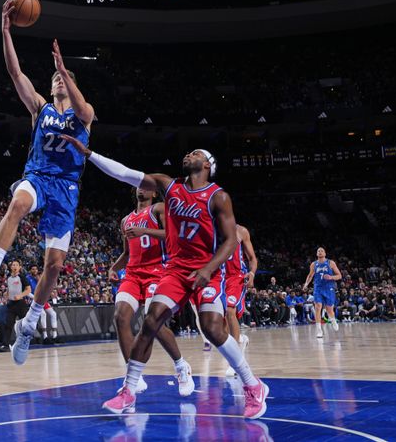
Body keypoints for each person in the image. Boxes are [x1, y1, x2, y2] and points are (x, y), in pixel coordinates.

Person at [59, 137, 269, 420]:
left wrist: (208, 269)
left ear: (207, 165)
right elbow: (124, 173)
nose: (188, 153)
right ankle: (129, 391)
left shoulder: (218, 196)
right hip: (176, 269)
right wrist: (90, 154)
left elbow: (231, 241)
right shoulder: (169, 185)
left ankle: (252, 384)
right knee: (151, 319)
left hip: (208, 269)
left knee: (211, 328)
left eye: (196, 152)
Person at [0, 0, 95, 367]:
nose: (57, 79)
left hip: (66, 189)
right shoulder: (41, 108)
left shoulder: (83, 115)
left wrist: (65, 70)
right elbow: (15, 72)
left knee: (54, 264)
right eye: (55, 77)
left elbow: (85, 111)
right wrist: (6, 30)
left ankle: (31, 323)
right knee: (18, 203)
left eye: (63, 78)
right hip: (38, 176)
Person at [108, 188, 194, 396]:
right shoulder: (126, 220)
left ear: (154, 193)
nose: (141, 189)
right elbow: (127, 253)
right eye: (139, 185)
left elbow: (173, 236)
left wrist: (145, 231)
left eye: (146, 186)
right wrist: (113, 268)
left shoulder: (158, 209)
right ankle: (134, 378)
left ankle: (181, 366)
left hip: (157, 271)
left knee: (152, 320)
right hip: (132, 274)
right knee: (120, 317)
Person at [223, 224, 258, 377]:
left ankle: (235, 361)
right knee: (218, 322)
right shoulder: (208, 228)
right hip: (216, 277)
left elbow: (252, 258)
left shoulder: (241, 231)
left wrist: (251, 273)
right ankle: (241, 339)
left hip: (235, 277)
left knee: (230, 311)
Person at [302, 247, 342, 338]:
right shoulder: (313, 264)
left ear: (325, 253)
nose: (320, 252)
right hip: (318, 288)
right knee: (318, 307)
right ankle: (319, 330)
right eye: (318, 251)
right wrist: (306, 284)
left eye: (321, 251)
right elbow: (310, 275)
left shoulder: (330, 263)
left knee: (329, 309)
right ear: (317, 254)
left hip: (329, 288)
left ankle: (333, 320)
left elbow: (339, 276)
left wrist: (331, 277)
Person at [0, 260, 31, 353]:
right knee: (8, 324)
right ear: (11, 267)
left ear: (20, 267)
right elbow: (9, 290)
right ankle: (5, 345)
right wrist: (6, 297)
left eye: (17, 265)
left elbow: (28, 290)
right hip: (11, 304)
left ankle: (24, 344)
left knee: (23, 325)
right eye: (13, 265)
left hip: (21, 304)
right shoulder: (9, 278)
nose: (15, 266)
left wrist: (20, 295)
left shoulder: (22, 277)